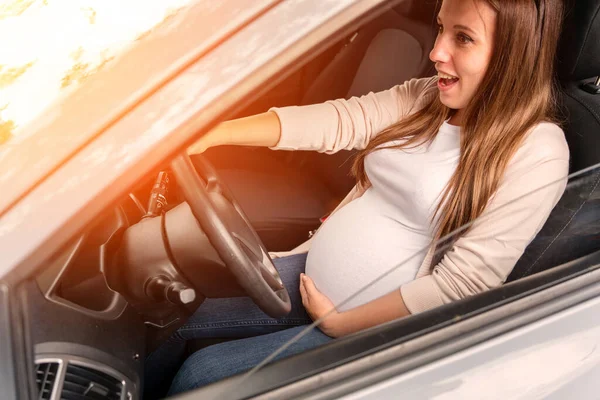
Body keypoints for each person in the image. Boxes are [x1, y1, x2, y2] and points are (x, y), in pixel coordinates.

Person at [147, 0, 569, 396]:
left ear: (514, 53)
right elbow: (339, 120)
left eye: (463, 38)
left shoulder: (538, 150)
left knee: (202, 375)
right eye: (441, 28)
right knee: (164, 312)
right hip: (311, 279)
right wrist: (213, 133)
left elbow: (464, 284)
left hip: (371, 332)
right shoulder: (428, 99)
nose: (437, 51)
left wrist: (341, 324)